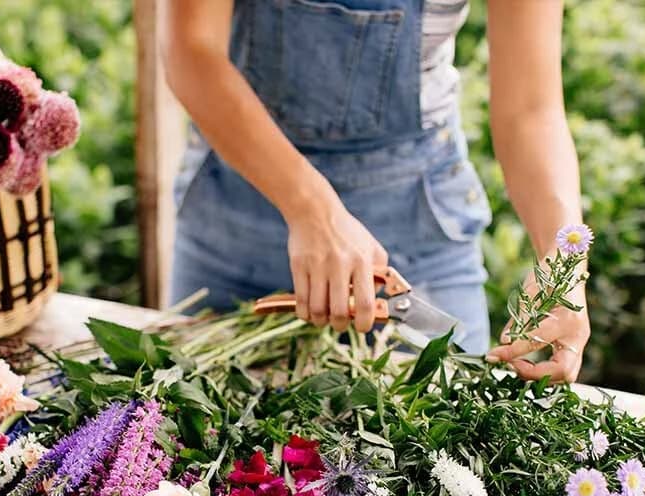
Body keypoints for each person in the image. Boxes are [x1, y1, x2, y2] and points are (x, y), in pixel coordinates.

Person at [161, 0, 590, 382]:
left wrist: (565, 259)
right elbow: (191, 50)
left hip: (417, 237)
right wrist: (312, 209)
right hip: (234, 226)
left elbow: (531, 110)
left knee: (444, 442)